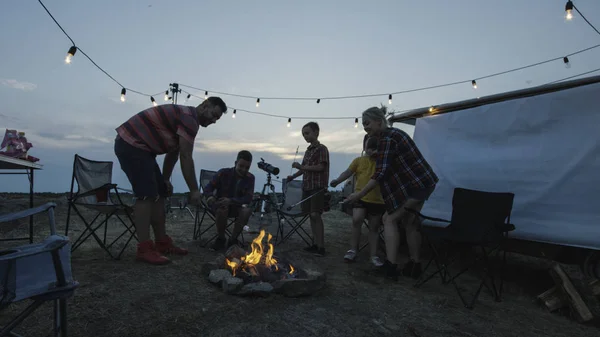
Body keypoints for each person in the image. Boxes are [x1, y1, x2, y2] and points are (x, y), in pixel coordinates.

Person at [114, 97, 228, 265]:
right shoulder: (190, 119)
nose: (213, 121)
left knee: (161, 191)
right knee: (146, 195)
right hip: (131, 143)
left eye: (217, 119)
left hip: (144, 150)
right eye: (213, 115)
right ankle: (144, 249)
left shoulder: (187, 119)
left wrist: (165, 180)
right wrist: (194, 190)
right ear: (204, 106)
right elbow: (186, 156)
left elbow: (174, 153)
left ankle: (162, 243)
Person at [344, 105, 438, 280]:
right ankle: (415, 265)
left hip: (418, 185)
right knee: (410, 223)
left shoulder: (388, 139)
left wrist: (358, 195)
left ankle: (391, 267)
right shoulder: (392, 135)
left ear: (379, 122)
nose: (365, 127)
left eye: (367, 123)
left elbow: (380, 173)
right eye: (364, 124)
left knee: (389, 219)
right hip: (424, 182)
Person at [330, 136, 385, 267]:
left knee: (374, 227)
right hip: (359, 197)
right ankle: (353, 250)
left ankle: (373, 255)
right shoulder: (358, 161)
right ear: (364, 147)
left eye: (374, 148)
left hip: (378, 200)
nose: (371, 151)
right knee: (356, 220)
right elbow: (347, 172)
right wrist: (337, 181)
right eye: (369, 148)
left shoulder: (383, 162)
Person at [287, 122, 330, 257]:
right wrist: (293, 176)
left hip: (317, 187)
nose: (305, 136)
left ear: (316, 132)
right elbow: (304, 169)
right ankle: (315, 244)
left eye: (307, 133)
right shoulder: (308, 150)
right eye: (303, 134)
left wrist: (301, 167)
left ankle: (321, 247)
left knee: (315, 215)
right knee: (311, 216)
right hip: (307, 186)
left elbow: (320, 167)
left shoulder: (322, 149)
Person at [203, 150, 255, 251]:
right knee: (223, 208)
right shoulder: (223, 173)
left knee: (246, 211)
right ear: (235, 163)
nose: (244, 170)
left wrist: (231, 201)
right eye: (241, 166)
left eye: (247, 167)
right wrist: (210, 197)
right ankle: (221, 238)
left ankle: (233, 239)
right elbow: (208, 188)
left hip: (236, 207)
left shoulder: (250, 178)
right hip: (219, 206)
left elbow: (248, 198)